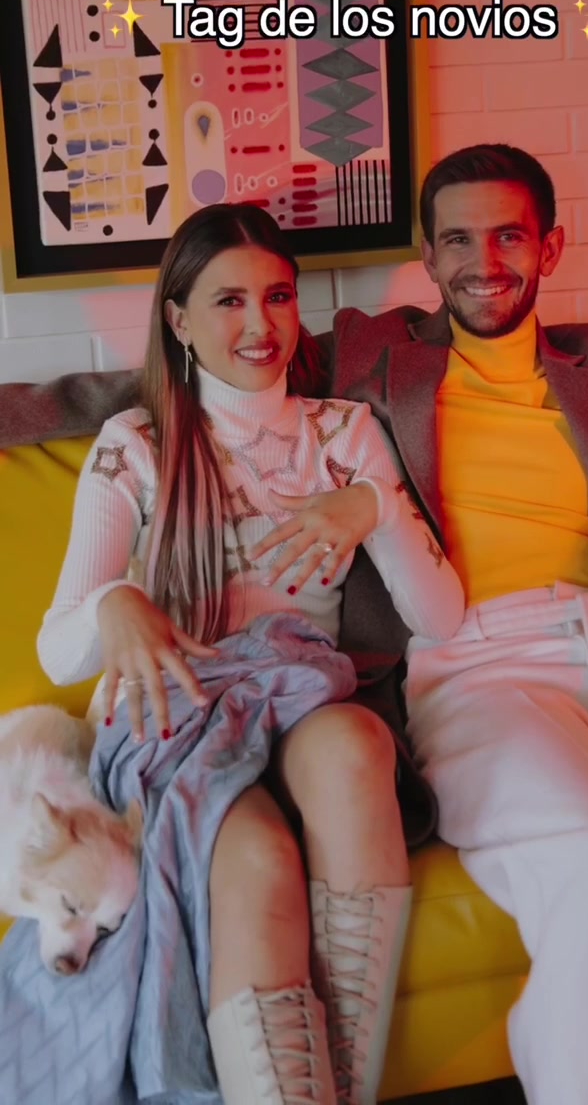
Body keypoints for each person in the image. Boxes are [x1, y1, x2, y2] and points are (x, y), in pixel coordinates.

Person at [258, 142, 588, 1105]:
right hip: (475, 669)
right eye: (458, 240)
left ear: (550, 248)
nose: (484, 261)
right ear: (428, 257)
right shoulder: (370, 355)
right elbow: (197, 380)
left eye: (509, 236)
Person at [0, 202, 465, 1105]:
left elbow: (441, 617)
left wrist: (374, 506)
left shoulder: (344, 433)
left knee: (359, 745)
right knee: (252, 858)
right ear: (178, 320)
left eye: (278, 296)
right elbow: (60, 652)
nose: (261, 324)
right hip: (172, 714)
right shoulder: (135, 445)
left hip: (295, 700)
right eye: (229, 301)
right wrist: (117, 602)